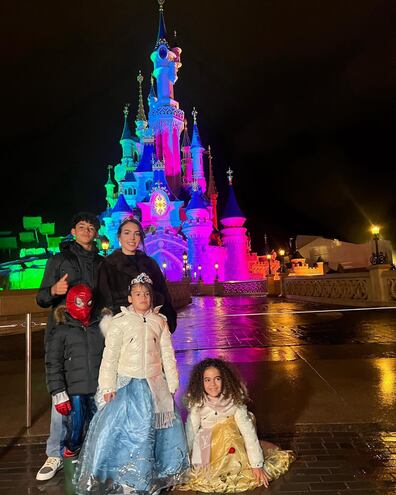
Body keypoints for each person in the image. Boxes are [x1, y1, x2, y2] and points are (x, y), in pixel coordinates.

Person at [74, 273, 189, 494]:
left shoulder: (160, 321)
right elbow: (110, 356)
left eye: (146, 294)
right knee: (130, 432)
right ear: (130, 298)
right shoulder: (120, 323)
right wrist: (108, 385)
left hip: (154, 384)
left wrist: (172, 383)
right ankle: (126, 476)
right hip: (128, 386)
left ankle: (153, 475)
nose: (143, 297)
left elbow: (167, 354)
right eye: (137, 294)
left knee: (157, 430)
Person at [36, 211, 103, 481]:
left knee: (93, 393)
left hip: (93, 333)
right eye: (82, 226)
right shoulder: (59, 259)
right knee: (61, 393)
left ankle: (86, 447)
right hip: (63, 335)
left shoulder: (101, 263)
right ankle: (55, 451)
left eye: (91, 227)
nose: (87, 230)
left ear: (96, 232)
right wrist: (54, 291)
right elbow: (40, 298)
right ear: (73, 231)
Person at [180, 358, 296, 493]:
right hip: (207, 446)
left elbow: (248, 433)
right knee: (206, 476)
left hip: (232, 445)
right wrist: (183, 463)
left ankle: (245, 460)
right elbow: (190, 432)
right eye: (207, 380)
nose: (213, 384)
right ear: (200, 383)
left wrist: (256, 465)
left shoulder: (234, 401)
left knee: (228, 430)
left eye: (217, 378)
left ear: (225, 380)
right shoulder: (197, 403)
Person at [45, 284, 106, 491]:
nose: (85, 307)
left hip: (98, 389)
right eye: (80, 302)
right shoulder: (61, 330)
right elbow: (53, 363)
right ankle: (72, 474)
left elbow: (110, 356)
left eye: (88, 302)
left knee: (99, 431)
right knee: (75, 431)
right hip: (75, 391)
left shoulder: (99, 327)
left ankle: (97, 472)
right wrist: (58, 392)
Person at [96, 217, 177, 332]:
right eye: (127, 233)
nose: (132, 238)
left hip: (151, 328)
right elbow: (103, 301)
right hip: (124, 330)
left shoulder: (150, 264)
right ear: (119, 236)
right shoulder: (108, 265)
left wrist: (168, 320)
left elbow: (164, 295)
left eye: (137, 234)